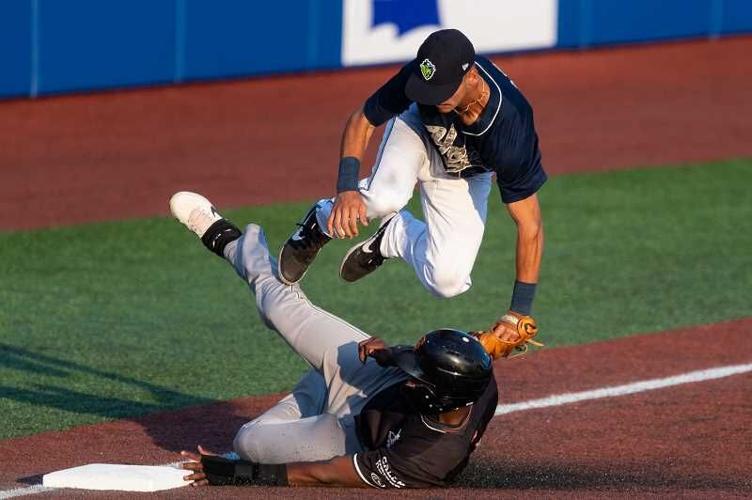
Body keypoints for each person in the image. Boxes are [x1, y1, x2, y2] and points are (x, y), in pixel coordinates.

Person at [169, 191, 498, 489]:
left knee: (248, 444)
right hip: (376, 379)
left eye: (416, 374)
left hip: (351, 437)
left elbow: (320, 474)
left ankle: (319, 388)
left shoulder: (422, 460)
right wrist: (395, 356)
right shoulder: (475, 380)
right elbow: (456, 356)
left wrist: (235, 474)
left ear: (437, 399)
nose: (409, 374)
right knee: (279, 308)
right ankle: (230, 242)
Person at [278, 28, 546, 342]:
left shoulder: (511, 130)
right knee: (381, 198)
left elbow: (530, 225)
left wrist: (518, 312)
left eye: (442, 90)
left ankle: (393, 236)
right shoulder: (426, 76)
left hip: (464, 173)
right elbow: (362, 120)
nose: (431, 96)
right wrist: (346, 189)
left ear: (472, 77)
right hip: (417, 131)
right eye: (427, 87)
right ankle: (317, 225)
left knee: (447, 280)